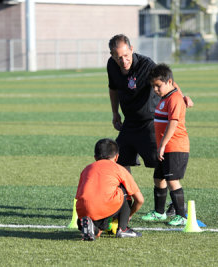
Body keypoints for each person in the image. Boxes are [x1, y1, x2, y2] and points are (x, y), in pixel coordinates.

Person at [107, 34, 193, 215]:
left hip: (150, 122)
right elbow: (113, 88)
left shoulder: (146, 65)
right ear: (112, 56)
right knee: (119, 160)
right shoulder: (111, 66)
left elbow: (167, 80)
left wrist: (181, 96)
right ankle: (126, 199)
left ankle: (175, 204)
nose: (123, 61)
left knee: (160, 164)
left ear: (131, 49)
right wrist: (115, 113)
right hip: (129, 123)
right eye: (118, 57)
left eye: (126, 56)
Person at [141, 63, 190, 226]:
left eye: (158, 86)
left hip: (175, 146)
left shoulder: (174, 98)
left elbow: (173, 123)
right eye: (153, 86)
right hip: (166, 147)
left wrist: (162, 145)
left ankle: (182, 215)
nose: (155, 89)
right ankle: (159, 213)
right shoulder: (166, 97)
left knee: (172, 180)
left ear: (169, 82)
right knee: (158, 178)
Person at [75, 138, 144, 240]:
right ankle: (123, 229)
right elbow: (140, 200)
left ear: (95, 157)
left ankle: (93, 228)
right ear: (116, 157)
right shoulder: (120, 169)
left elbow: (79, 195)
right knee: (124, 189)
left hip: (83, 212)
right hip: (106, 208)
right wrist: (128, 216)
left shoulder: (87, 169)